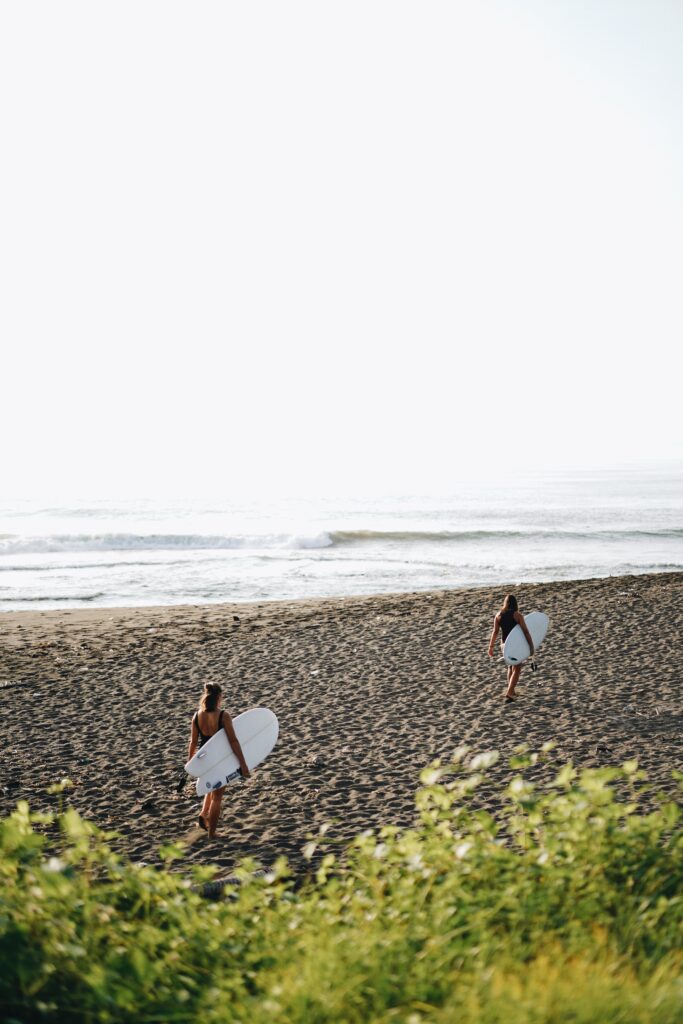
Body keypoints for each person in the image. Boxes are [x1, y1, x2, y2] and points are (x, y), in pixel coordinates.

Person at [187, 682, 250, 838]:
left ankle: (203, 815)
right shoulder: (223, 715)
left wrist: (191, 764)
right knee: (217, 797)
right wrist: (243, 764)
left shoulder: (197, 716)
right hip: (219, 759)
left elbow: (193, 742)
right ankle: (212, 833)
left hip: (204, 759)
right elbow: (233, 741)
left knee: (211, 788)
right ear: (219, 697)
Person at [487, 594, 534, 702]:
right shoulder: (517, 615)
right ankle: (510, 691)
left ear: (505, 603)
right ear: (515, 603)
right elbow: (526, 632)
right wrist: (531, 646)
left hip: (504, 646)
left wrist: (491, 646)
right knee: (517, 667)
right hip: (515, 645)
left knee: (510, 666)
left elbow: (495, 632)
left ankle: (511, 690)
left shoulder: (498, 615)